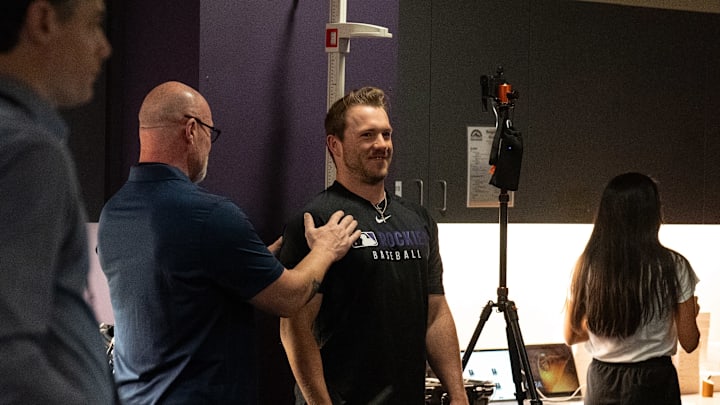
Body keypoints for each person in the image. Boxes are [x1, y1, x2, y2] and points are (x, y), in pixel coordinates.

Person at [96, 80, 360, 404]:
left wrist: (251, 262)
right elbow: (289, 298)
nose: (210, 145)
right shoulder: (209, 216)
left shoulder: (114, 213)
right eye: (211, 132)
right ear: (191, 130)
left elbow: (178, 284)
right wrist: (326, 249)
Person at [279, 86, 469, 404]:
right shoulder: (318, 221)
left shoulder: (418, 219)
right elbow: (295, 328)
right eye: (367, 135)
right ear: (335, 145)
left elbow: (436, 313)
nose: (381, 145)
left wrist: (458, 394)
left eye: (386, 134)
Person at [0, 0, 115, 403]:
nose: (104, 47)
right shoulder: (28, 152)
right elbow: (7, 358)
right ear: (44, 21)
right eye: (93, 24)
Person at [564, 172, 700, 405]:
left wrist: (607, 316)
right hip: (655, 383)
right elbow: (690, 342)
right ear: (653, 214)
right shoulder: (675, 265)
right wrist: (689, 314)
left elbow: (571, 335)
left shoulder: (586, 265)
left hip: (603, 382)